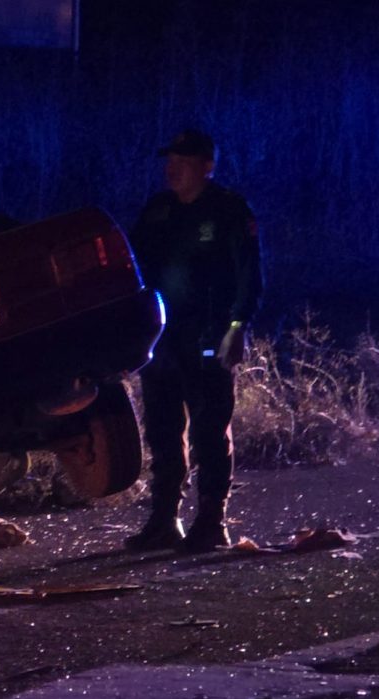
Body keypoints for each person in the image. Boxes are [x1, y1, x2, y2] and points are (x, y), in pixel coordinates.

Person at [124, 129, 263, 553]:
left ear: (207, 166)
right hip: (163, 339)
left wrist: (237, 327)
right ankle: (164, 519)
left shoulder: (228, 210)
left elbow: (250, 274)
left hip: (208, 335)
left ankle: (211, 521)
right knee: (162, 429)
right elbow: (133, 266)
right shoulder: (158, 211)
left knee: (209, 428)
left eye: (182, 162)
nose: (173, 169)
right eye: (170, 161)